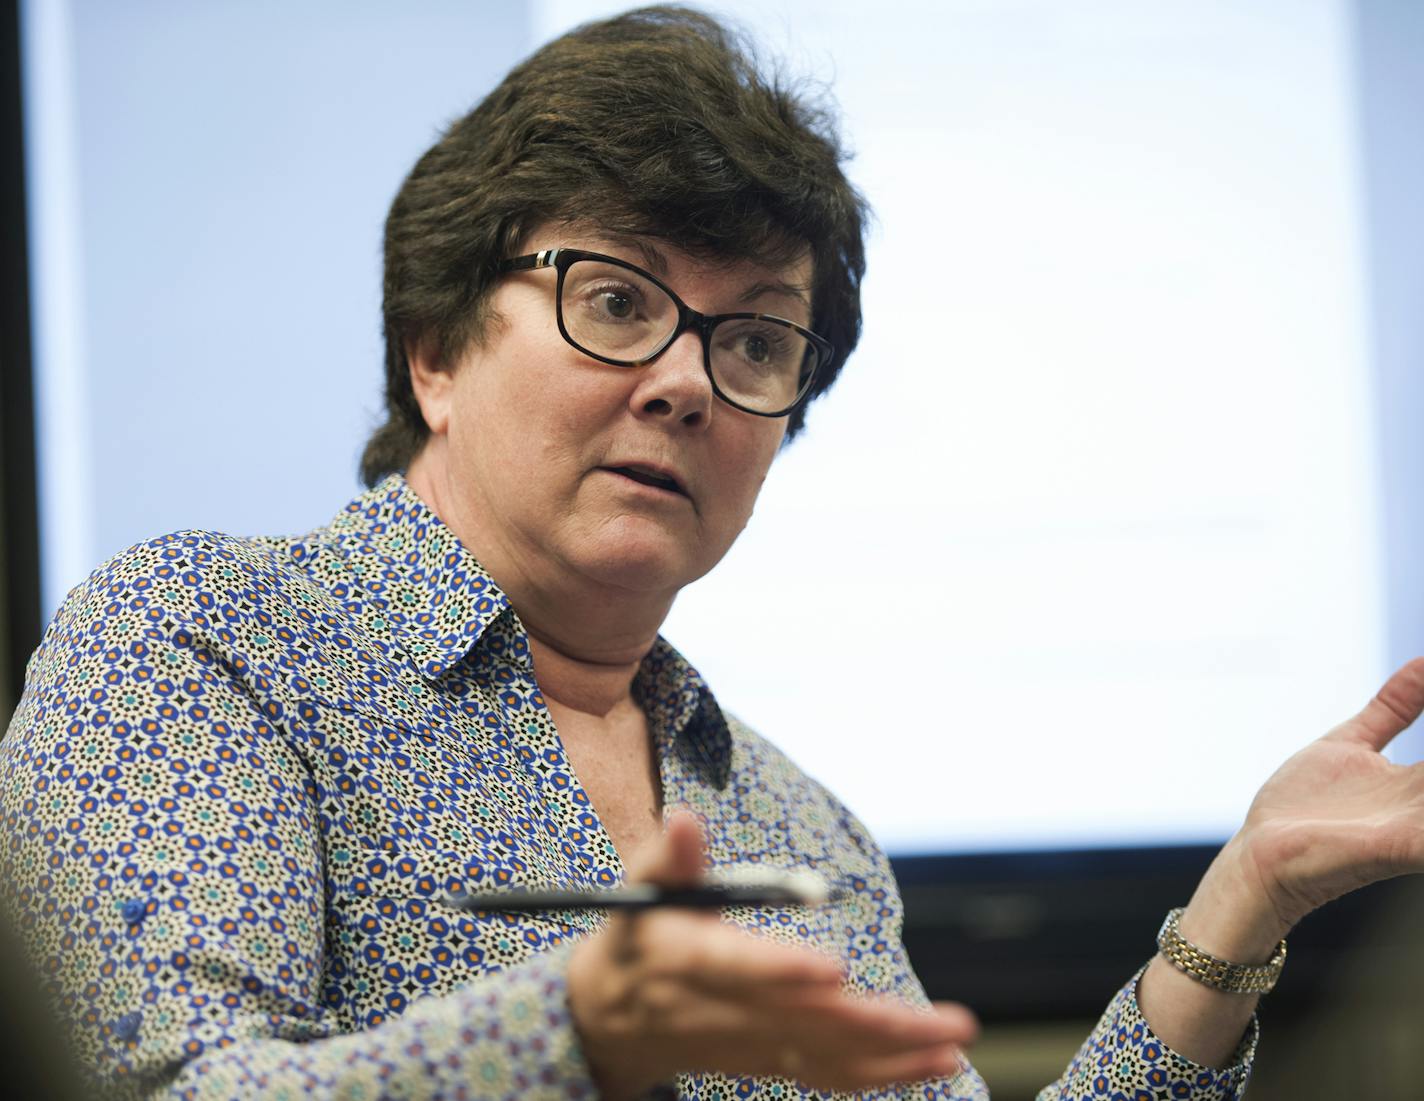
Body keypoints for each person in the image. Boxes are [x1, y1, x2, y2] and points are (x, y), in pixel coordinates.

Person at [3, 6, 1422, 1100]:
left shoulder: (806, 833)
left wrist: (1245, 891)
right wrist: (569, 1029)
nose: (686, 380)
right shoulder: (202, 643)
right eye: (616, 300)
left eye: (751, 340)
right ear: (436, 347)